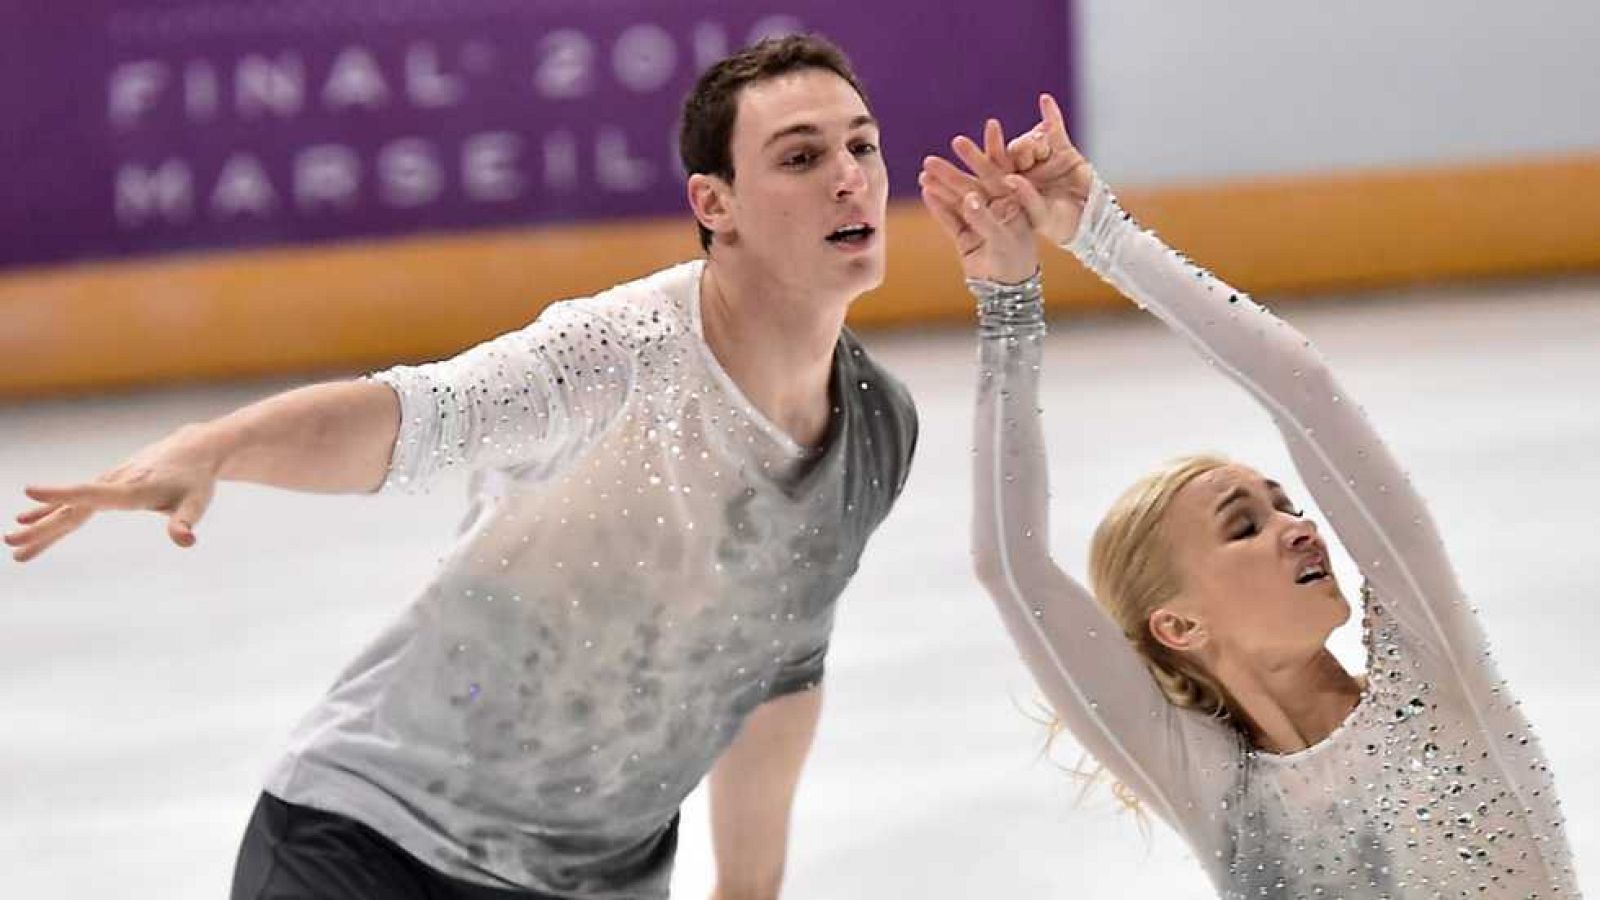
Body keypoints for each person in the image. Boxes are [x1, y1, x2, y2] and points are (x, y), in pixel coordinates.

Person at [6, 35, 916, 900]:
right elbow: (408, 420)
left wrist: (748, 889)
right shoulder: (621, 351)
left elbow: (781, 659)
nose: (850, 178)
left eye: (863, 146)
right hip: (369, 846)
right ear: (714, 205)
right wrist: (218, 446)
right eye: (801, 158)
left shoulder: (876, 427)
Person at [918, 94, 1581, 897]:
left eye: (1287, 505)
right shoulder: (1214, 790)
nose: (1299, 528)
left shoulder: (1434, 670)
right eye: (1245, 527)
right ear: (1179, 625)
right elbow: (1010, 568)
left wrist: (1103, 234)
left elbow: (1300, 388)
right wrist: (1007, 304)